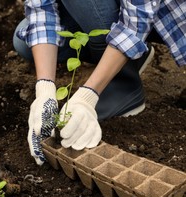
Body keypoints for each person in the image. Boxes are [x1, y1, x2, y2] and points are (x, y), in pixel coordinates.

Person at [13, 0, 186, 166]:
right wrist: (45, 88)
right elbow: (41, 9)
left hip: (167, 16)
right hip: (128, 12)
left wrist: (87, 95)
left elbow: (135, 23)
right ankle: (129, 60)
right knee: (23, 41)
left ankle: (124, 83)